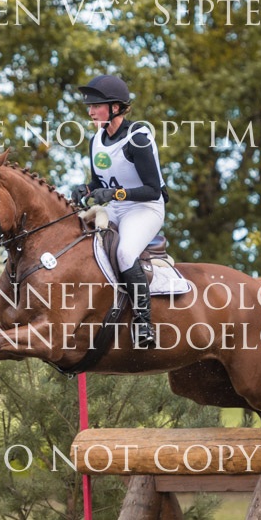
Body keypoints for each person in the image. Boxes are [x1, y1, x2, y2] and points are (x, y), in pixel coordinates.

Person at [71, 75, 168, 348]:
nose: (90, 112)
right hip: (115, 208)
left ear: (115, 107)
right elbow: (98, 183)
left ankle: (143, 323)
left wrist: (114, 194)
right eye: (89, 107)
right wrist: (85, 190)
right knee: (78, 237)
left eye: (96, 106)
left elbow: (153, 190)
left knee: (125, 253)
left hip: (145, 208)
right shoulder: (96, 141)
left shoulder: (138, 138)